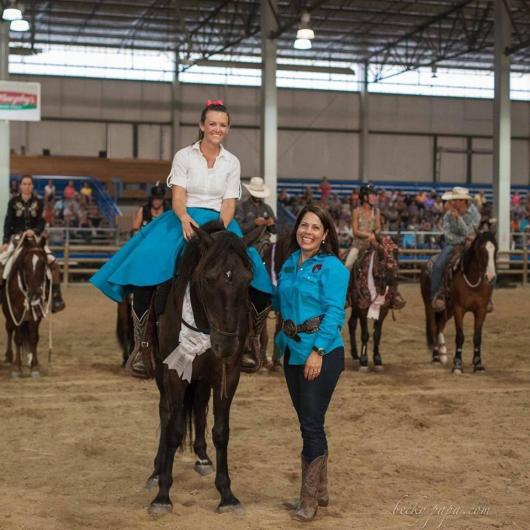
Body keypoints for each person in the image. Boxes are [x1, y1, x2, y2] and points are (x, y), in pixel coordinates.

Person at [90, 101, 272, 377]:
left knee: (257, 273)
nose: (217, 129)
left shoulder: (232, 162)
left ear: (228, 128)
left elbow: (229, 203)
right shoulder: (184, 156)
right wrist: (186, 219)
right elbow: (177, 198)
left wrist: (218, 232)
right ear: (202, 126)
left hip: (220, 222)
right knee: (145, 267)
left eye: (223, 125)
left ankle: (250, 343)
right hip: (183, 219)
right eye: (212, 124)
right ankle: (143, 345)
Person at [274, 204, 349, 522]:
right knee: (309, 420)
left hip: (323, 352)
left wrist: (318, 351)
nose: (307, 231)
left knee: (311, 423)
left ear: (325, 234)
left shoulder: (333, 268)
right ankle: (320, 490)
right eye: (303, 225)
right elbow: (279, 303)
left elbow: (335, 312)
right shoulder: (290, 263)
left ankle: (308, 501)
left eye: (315, 227)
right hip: (292, 351)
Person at [0, 174, 65, 313]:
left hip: (35, 239)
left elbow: (42, 222)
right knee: (3, 262)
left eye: (29, 184)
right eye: (24, 183)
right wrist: (5, 241)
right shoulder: (13, 202)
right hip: (17, 239)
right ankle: (2, 295)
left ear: (32, 186)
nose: (27, 186)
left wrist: (34, 231)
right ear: (20, 186)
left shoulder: (39, 202)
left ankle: (56, 298)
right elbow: (8, 223)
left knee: (54, 264)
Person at [344, 184, 406, 310]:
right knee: (348, 264)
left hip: (373, 244)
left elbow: (378, 228)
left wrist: (377, 235)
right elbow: (355, 231)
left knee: (389, 262)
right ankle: (344, 296)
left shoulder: (376, 212)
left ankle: (393, 294)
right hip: (358, 245)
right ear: (364, 197)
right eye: (372, 195)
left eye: (375, 195)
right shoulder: (356, 211)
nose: (374, 197)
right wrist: (369, 235)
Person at [430, 186, 481, 312]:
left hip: (471, 245)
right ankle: (436, 295)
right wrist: (463, 239)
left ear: (463, 201)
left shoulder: (475, 214)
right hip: (453, 245)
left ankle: (488, 297)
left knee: (487, 263)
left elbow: (470, 232)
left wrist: (458, 219)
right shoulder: (448, 215)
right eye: (453, 200)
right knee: (438, 265)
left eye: (456, 200)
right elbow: (448, 236)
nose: (453, 203)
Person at [235, 177, 276, 250]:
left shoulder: (267, 208)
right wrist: (254, 223)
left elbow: (275, 231)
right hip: (247, 243)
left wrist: (271, 225)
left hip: (264, 242)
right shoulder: (242, 207)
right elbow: (238, 228)